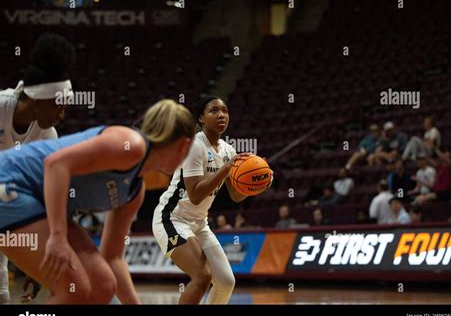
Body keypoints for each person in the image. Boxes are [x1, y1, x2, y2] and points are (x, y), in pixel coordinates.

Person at [0, 99, 195, 304]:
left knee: (102, 285)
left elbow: (113, 258)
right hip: (10, 182)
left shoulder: (134, 192)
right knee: (74, 289)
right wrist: (57, 237)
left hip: (36, 202)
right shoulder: (131, 145)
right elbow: (55, 164)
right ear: (184, 145)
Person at [152, 96, 272, 305]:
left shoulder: (228, 151)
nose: (221, 115)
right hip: (172, 219)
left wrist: (256, 186)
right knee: (202, 276)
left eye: (225, 111)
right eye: (214, 111)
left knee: (226, 281)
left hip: (200, 223)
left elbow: (235, 196)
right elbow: (196, 195)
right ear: (201, 118)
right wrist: (226, 169)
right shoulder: (194, 146)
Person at [0, 33, 75, 304]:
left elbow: (46, 197)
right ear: (38, 99)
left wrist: (38, 266)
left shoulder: (48, 135)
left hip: (4, 211)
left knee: (3, 297)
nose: (61, 115)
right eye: (59, 106)